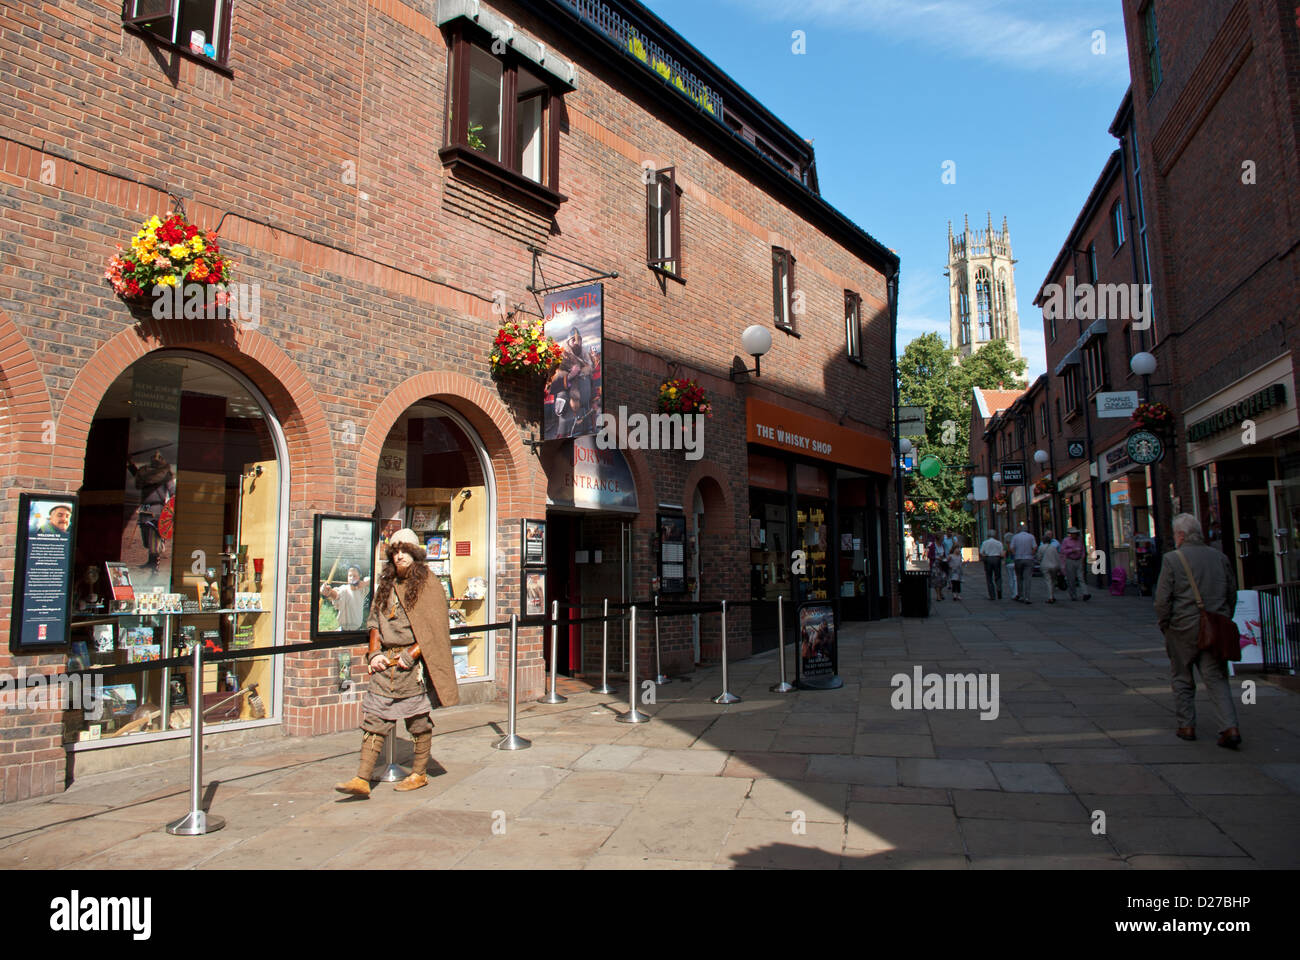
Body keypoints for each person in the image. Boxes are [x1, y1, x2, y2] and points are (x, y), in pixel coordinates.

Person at [335, 529, 459, 797]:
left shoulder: (428, 584)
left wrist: (410, 655)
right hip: (384, 666)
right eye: (395, 551)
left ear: (415, 554)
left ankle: (419, 773)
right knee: (374, 719)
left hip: (410, 669)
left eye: (405, 550)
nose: (399, 555)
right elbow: (374, 623)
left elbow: (432, 630)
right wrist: (374, 653)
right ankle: (362, 778)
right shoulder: (386, 584)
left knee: (417, 723)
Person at [1154, 513, 1241, 748]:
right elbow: (1232, 593)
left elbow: (1162, 600)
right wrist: (1224, 618)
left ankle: (1187, 725)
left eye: (1174, 534)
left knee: (1182, 676)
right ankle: (1229, 726)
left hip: (1182, 627)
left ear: (1181, 535)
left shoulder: (1173, 559)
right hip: (1214, 626)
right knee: (1216, 678)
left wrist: (1165, 624)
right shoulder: (1219, 557)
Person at [320, 565, 371, 632]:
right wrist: (329, 592)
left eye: (354, 576)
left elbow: (371, 579)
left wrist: (365, 583)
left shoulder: (362, 590)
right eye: (350, 576)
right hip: (342, 631)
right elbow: (336, 594)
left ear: (359, 577)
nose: (352, 578)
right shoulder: (343, 589)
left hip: (357, 631)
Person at [1060, 527, 1091, 600]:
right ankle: (1073, 594)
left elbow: (1083, 550)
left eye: (1076, 534)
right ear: (1070, 534)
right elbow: (1063, 551)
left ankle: (1085, 593)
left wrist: (1083, 558)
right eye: (1073, 534)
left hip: (1078, 560)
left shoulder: (1080, 540)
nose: (1075, 535)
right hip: (1070, 560)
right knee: (1071, 579)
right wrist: (1072, 550)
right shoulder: (1066, 540)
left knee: (1081, 577)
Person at [1010, 523, 1038, 603]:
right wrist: (1031, 553)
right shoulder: (1031, 536)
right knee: (1028, 578)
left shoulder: (1015, 537)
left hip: (1018, 558)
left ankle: (1020, 595)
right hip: (1028, 558)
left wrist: (1015, 554)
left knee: (1019, 578)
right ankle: (1027, 597)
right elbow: (1035, 547)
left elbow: (1011, 547)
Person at [1037, 533, 1062, 603]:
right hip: (1054, 566)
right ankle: (1052, 595)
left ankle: (1050, 597)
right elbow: (1057, 557)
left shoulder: (1041, 547)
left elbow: (1038, 558)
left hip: (1045, 566)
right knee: (1053, 581)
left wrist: (1039, 562)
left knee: (1048, 581)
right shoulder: (1053, 547)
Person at [980, 529, 1004, 600]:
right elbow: (1001, 553)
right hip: (997, 558)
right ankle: (999, 589)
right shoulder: (999, 543)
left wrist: (984, 557)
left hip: (988, 559)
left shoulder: (985, 543)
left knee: (989, 577)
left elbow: (981, 552)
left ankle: (992, 595)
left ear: (988, 535)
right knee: (998, 576)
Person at [948, 535, 963, 599]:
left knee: (958, 584)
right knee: (954, 583)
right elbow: (947, 561)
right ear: (954, 549)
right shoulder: (951, 556)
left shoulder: (959, 556)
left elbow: (960, 563)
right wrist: (949, 566)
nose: (959, 550)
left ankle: (958, 594)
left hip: (958, 571)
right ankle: (954, 594)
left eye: (959, 549)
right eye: (958, 548)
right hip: (953, 571)